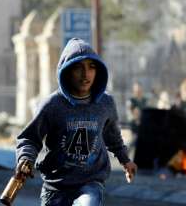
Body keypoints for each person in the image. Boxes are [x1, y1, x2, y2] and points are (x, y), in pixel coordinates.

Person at [15, 38, 137, 206]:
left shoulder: (105, 102)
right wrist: (25, 159)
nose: (86, 74)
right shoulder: (53, 104)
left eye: (91, 67)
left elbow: (112, 136)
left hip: (90, 183)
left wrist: (125, 160)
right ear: (66, 71)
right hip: (55, 187)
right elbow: (30, 138)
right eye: (78, 67)